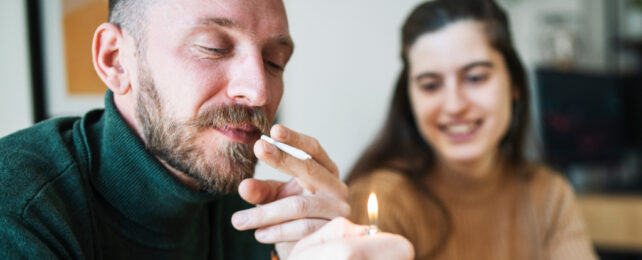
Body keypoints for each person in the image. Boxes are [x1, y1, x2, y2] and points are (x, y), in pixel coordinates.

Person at [0, 0, 413, 259]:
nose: (258, 91)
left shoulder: (250, 211)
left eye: (274, 61)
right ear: (116, 61)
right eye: (213, 47)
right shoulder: (18, 207)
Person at [346, 0, 597, 259]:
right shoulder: (386, 199)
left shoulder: (548, 194)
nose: (454, 106)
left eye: (475, 78)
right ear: (410, 99)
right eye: (431, 85)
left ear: (514, 85)